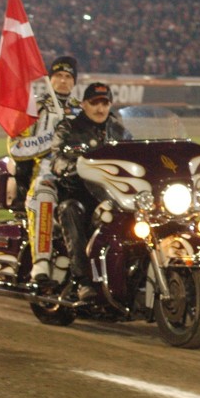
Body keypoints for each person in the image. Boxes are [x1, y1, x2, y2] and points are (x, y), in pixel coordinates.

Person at [50, 82, 131, 300]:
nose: (100, 108)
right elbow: (55, 159)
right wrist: (74, 167)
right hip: (78, 195)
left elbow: (137, 156)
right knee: (71, 209)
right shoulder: (68, 128)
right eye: (94, 103)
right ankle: (81, 281)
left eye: (104, 103)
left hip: (113, 197)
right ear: (84, 104)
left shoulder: (119, 131)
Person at [7, 56, 82, 281]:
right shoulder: (35, 109)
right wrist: (52, 139)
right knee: (43, 194)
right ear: (50, 78)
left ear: (74, 82)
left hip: (80, 175)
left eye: (68, 77)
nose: (63, 80)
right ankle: (40, 262)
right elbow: (16, 148)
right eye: (58, 76)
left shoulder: (83, 110)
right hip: (46, 173)